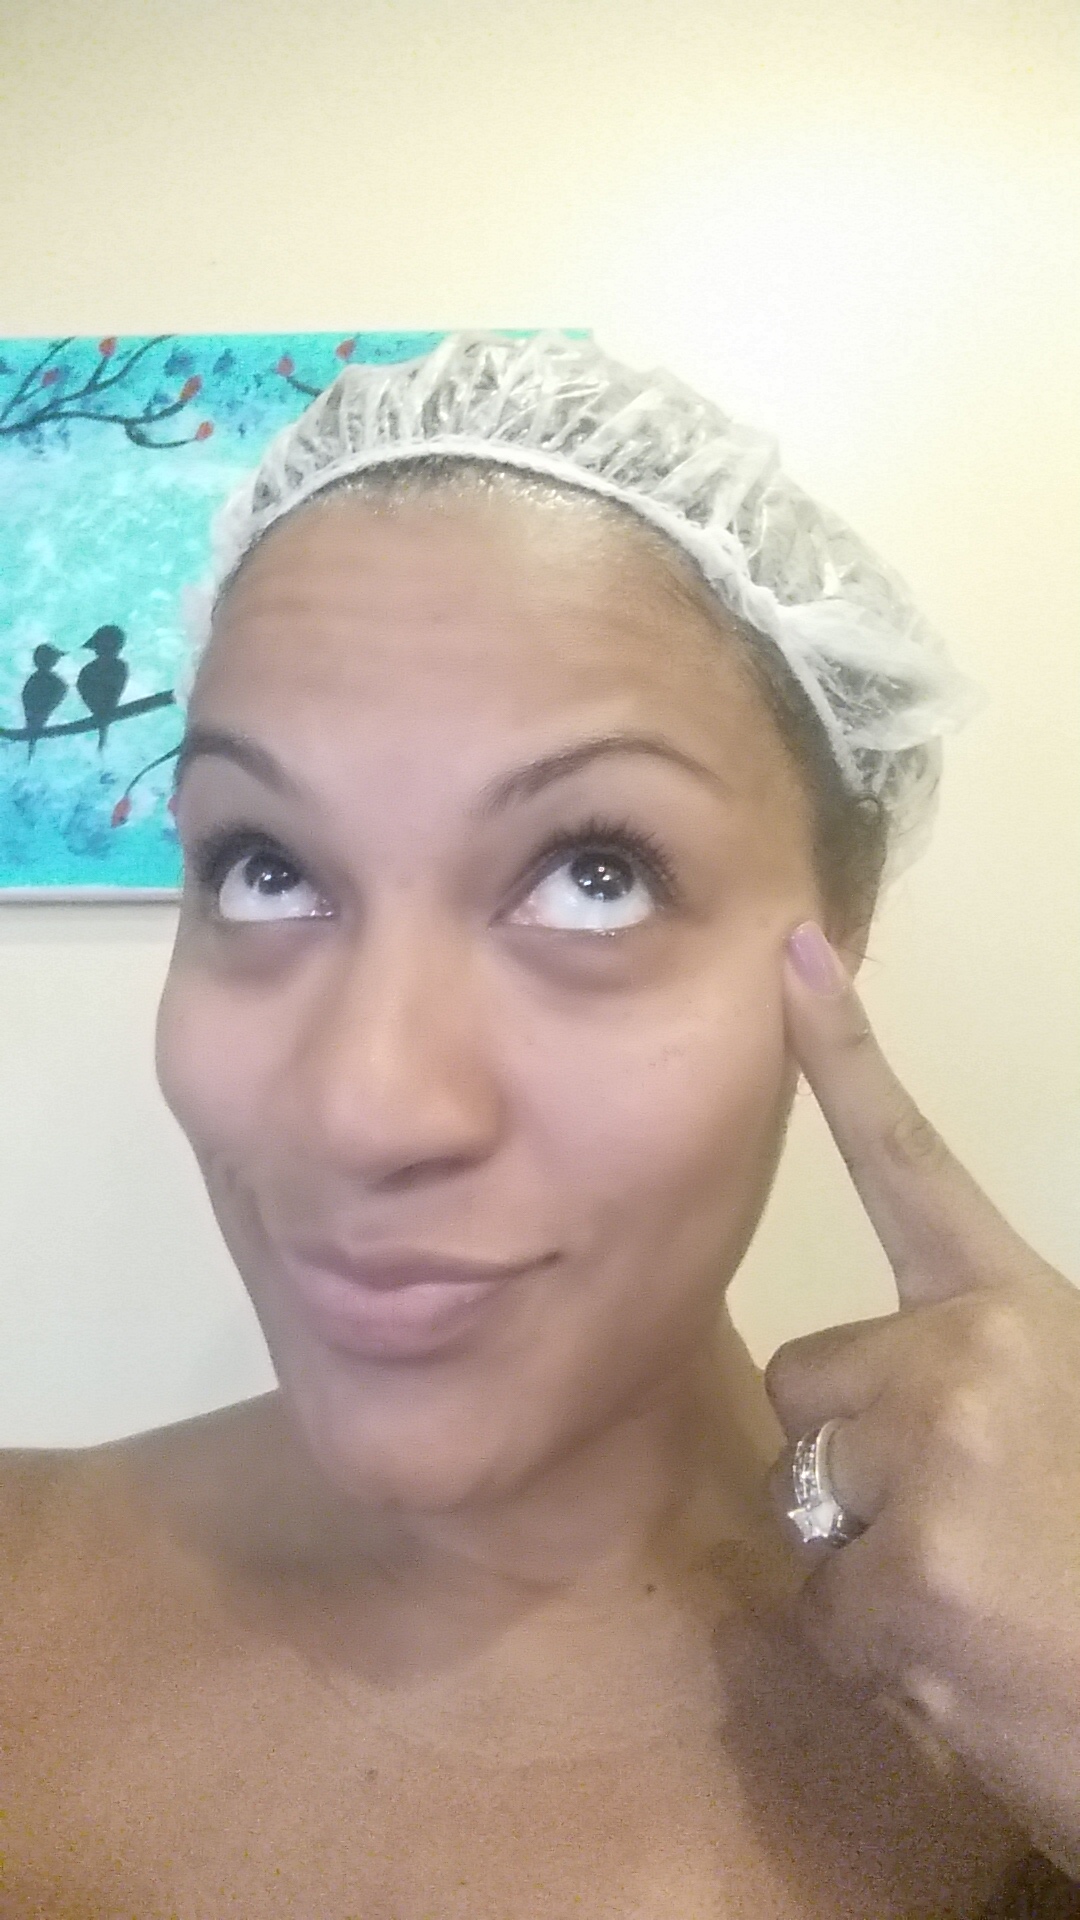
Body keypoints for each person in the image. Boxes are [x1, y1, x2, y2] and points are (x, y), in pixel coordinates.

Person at [2, 332, 1077, 1917]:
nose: (367, 1107)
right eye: (264, 868)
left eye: (595, 875)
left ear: (837, 935)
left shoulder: (1020, 1742)